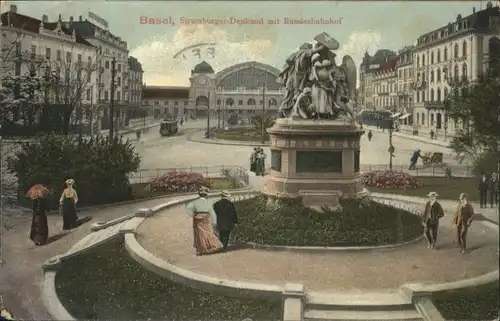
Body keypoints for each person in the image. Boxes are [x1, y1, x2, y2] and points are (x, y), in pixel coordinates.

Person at [185, 186, 223, 256]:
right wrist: (214, 221)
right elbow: (212, 212)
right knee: (208, 231)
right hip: (206, 218)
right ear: (206, 194)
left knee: (200, 234)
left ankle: (202, 249)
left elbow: (188, 208)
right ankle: (210, 246)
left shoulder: (194, 202)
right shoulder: (209, 203)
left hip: (197, 218)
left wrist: (193, 215)